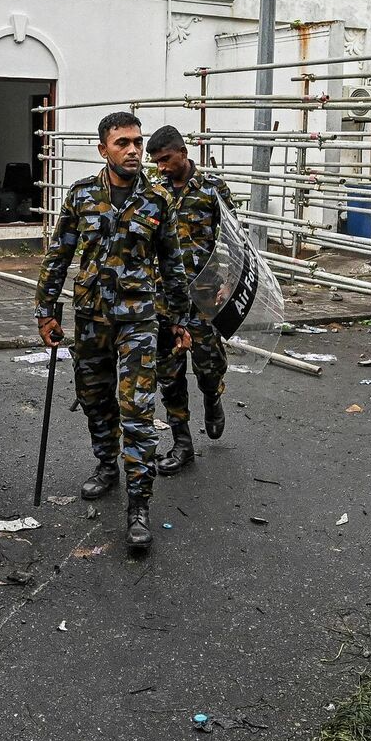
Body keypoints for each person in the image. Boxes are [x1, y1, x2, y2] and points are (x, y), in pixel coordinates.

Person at [35, 111, 192, 551]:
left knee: (138, 411)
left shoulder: (157, 201)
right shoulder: (81, 195)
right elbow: (58, 255)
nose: (133, 151)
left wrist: (179, 320)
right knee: (94, 399)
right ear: (103, 149)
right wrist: (46, 312)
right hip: (90, 318)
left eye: (137, 143)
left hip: (139, 321)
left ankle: (138, 506)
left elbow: (173, 266)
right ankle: (106, 465)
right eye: (122, 143)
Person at [144, 125, 235, 474]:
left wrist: (228, 281)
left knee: (209, 365)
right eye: (157, 163)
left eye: (166, 159)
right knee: (168, 372)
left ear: (183, 152)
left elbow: (232, 238)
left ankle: (213, 397)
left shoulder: (212, 189)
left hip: (205, 295)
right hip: (165, 297)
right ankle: (182, 443)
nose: (162, 167)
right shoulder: (155, 192)